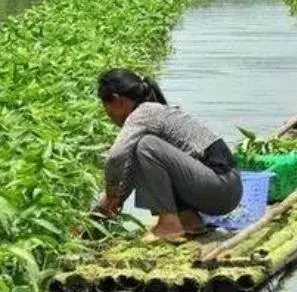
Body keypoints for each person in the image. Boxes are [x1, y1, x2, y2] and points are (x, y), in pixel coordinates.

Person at [95, 68, 242, 244]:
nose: (108, 114)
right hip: (223, 189)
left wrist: (112, 193)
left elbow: (115, 157)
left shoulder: (144, 113)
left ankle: (169, 225)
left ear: (117, 100)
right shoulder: (153, 112)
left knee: (146, 145)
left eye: (106, 106)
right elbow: (128, 169)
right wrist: (102, 211)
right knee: (142, 148)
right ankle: (189, 221)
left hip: (221, 186)